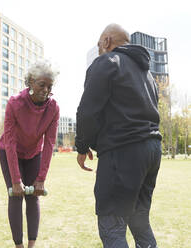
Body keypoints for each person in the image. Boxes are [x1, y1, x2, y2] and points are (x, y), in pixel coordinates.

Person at [75, 24, 162, 248]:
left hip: (124, 151)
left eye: (99, 45)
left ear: (106, 41)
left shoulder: (107, 62)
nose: (100, 50)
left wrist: (83, 146)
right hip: (152, 150)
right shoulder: (148, 75)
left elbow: (87, 111)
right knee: (140, 220)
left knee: (112, 227)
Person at [0, 60, 59, 248]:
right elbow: (9, 142)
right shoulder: (15, 103)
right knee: (16, 196)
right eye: (42, 85)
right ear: (30, 82)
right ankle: (19, 246)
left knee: (33, 198)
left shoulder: (53, 108)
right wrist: (16, 181)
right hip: (11, 152)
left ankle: (32, 245)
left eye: (49, 86)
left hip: (34, 153)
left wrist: (41, 178)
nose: (46, 89)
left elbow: (49, 144)